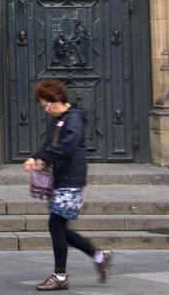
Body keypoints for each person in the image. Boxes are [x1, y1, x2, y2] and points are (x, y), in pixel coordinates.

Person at [24, 78, 111, 290]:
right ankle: (99, 256)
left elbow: (67, 146)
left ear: (56, 99)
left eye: (46, 104)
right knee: (59, 227)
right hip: (63, 178)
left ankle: (61, 276)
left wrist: (43, 157)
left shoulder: (73, 119)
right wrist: (36, 156)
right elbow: (50, 145)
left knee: (56, 225)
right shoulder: (59, 120)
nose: (45, 109)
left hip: (71, 179)